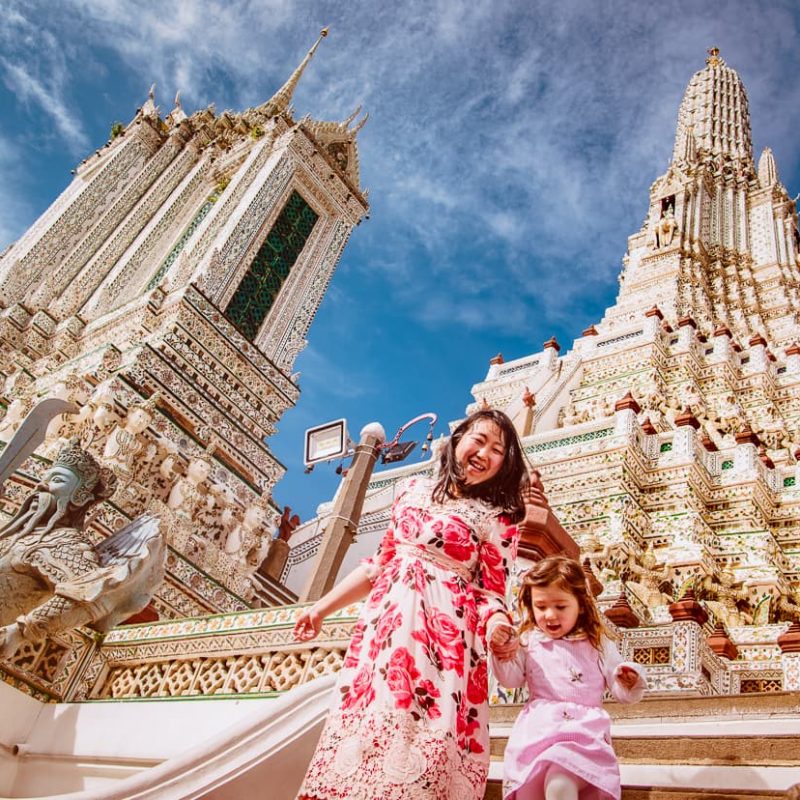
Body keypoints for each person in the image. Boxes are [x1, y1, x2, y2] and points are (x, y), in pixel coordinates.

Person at [293, 409, 529, 800]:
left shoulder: (497, 519)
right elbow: (378, 564)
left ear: (503, 465)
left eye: (497, 450)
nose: (484, 452)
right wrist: (320, 609)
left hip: (445, 648)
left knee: (419, 758)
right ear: (458, 439)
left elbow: (491, 592)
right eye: (479, 439)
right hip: (382, 639)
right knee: (361, 748)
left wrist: (498, 628)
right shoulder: (411, 490)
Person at [490, 555, 647, 800]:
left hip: (581, 733)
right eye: (540, 606)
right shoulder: (530, 640)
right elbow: (511, 680)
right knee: (535, 789)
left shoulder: (597, 644)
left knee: (560, 783)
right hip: (538, 732)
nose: (550, 615)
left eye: (560, 607)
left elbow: (619, 684)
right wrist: (502, 652)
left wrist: (627, 679)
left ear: (581, 605)